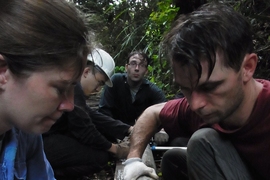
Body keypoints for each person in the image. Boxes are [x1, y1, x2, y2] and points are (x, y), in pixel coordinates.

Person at [123, 2, 270, 180]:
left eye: (210, 87)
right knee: (173, 159)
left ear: (247, 67)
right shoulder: (200, 106)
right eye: (186, 89)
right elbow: (152, 113)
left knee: (203, 140)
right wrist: (133, 161)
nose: (195, 104)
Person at [0, 0, 90, 179]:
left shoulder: (26, 134)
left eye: (73, 87)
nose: (69, 105)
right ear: (3, 70)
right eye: (59, 88)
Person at [43, 48, 133, 180]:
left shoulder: (73, 86)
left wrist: (127, 129)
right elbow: (84, 130)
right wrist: (115, 149)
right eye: (99, 82)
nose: (98, 89)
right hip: (40, 141)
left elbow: (90, 115)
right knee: (100, 157)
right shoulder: (74, 87)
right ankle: (50, 174)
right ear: (86, 72)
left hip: (46, 138)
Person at [98, 50, 166, 126]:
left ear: (146, 71)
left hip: (141, 133)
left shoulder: (153, 91)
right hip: (114, 131)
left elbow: (163, 114)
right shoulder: (115, 82)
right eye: (133, 63)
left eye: (142, 65)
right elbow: (104, 111)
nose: (137, 68)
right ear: (126, 67)